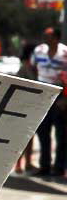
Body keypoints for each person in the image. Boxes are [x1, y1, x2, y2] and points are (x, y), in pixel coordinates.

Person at [31, 27, 67, 177]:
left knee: (61, 133)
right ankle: (44, 166)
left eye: (49, 36)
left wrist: (65, 98)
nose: (46, 38)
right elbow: (32, 67)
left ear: (56, 38)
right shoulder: (39, 50)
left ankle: (59, 167)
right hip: (43, 94)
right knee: (42, 131)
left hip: (59, 95)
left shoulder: (64, 53)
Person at [15, 43, 38, 174]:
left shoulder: (34, 66)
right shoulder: (25, 67)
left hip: (33, 106)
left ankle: (28, 162)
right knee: (22, 138)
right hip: (24, 105)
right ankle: (19, 164)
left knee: (30, 137)